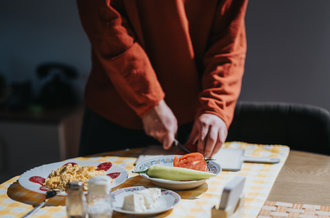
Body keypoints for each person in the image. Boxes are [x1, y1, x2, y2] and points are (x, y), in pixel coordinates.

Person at [77, 0, 247, 158]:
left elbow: (229, 37)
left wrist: (215, 106)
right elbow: (106, 24)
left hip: (195, 123)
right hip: (116, 116)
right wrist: (149, 101)